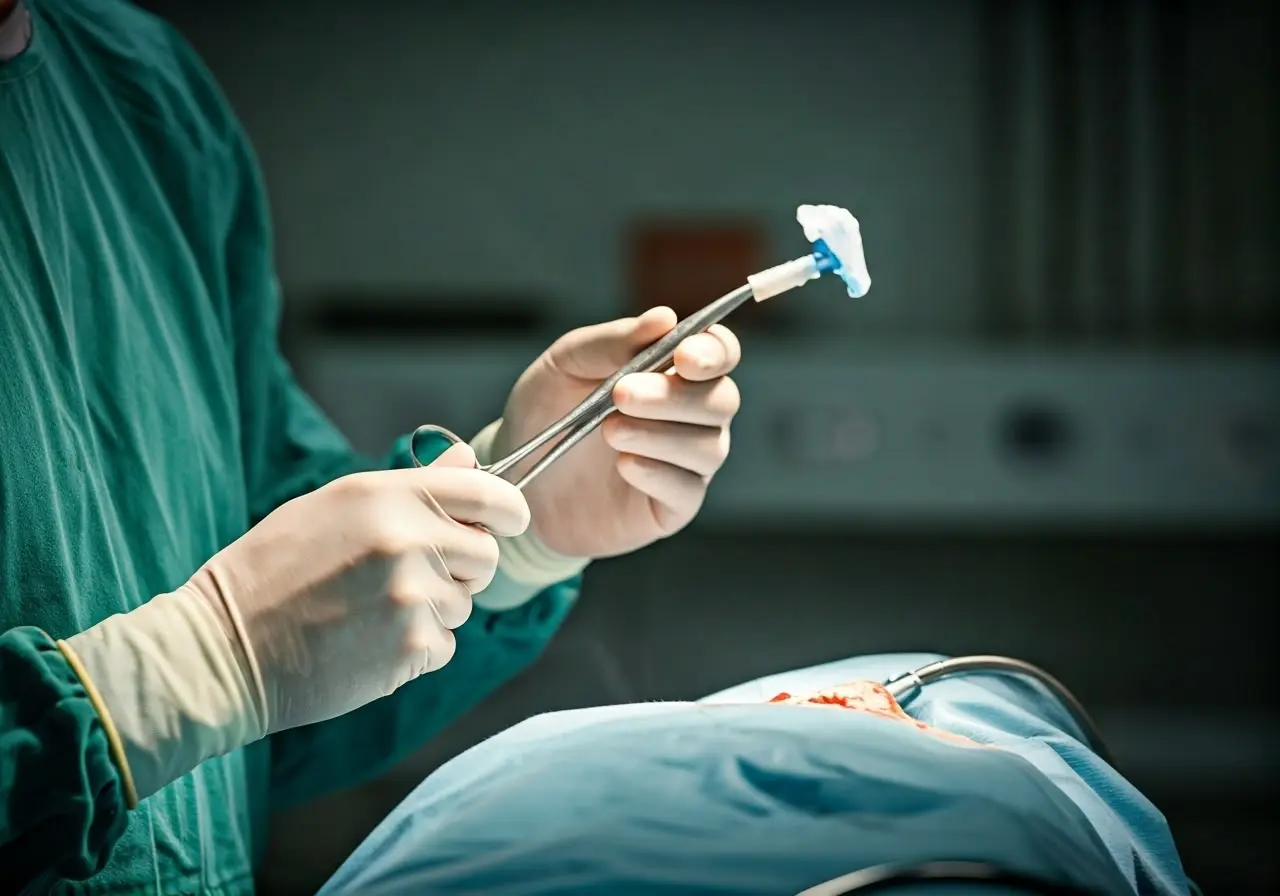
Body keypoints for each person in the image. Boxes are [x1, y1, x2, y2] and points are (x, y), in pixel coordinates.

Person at [0, 1, 743, 892]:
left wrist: (520, 525)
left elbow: (267, 714)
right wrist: (169, 678)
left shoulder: (136, 91)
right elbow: (224, 661)